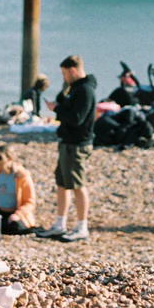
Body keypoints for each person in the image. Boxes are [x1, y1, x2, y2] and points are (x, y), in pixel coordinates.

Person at [39, 55, 97, 242]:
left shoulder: (85, 90)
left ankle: (82, 227)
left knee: (77, 185)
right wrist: (60, 102)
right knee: (62, 183)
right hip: (68, 142)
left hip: (77, 144)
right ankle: (60, 223)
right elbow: (67, 107)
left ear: (73, 71)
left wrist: (57, 109)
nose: (63, 78)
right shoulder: (74, 88)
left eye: (64, 74)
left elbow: (77, 118)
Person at [0, 144, 38, 235]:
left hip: (14, 214)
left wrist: (17, 215)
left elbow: (30, 202)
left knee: (15, 227)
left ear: (10, 158)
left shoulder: (22, 175)